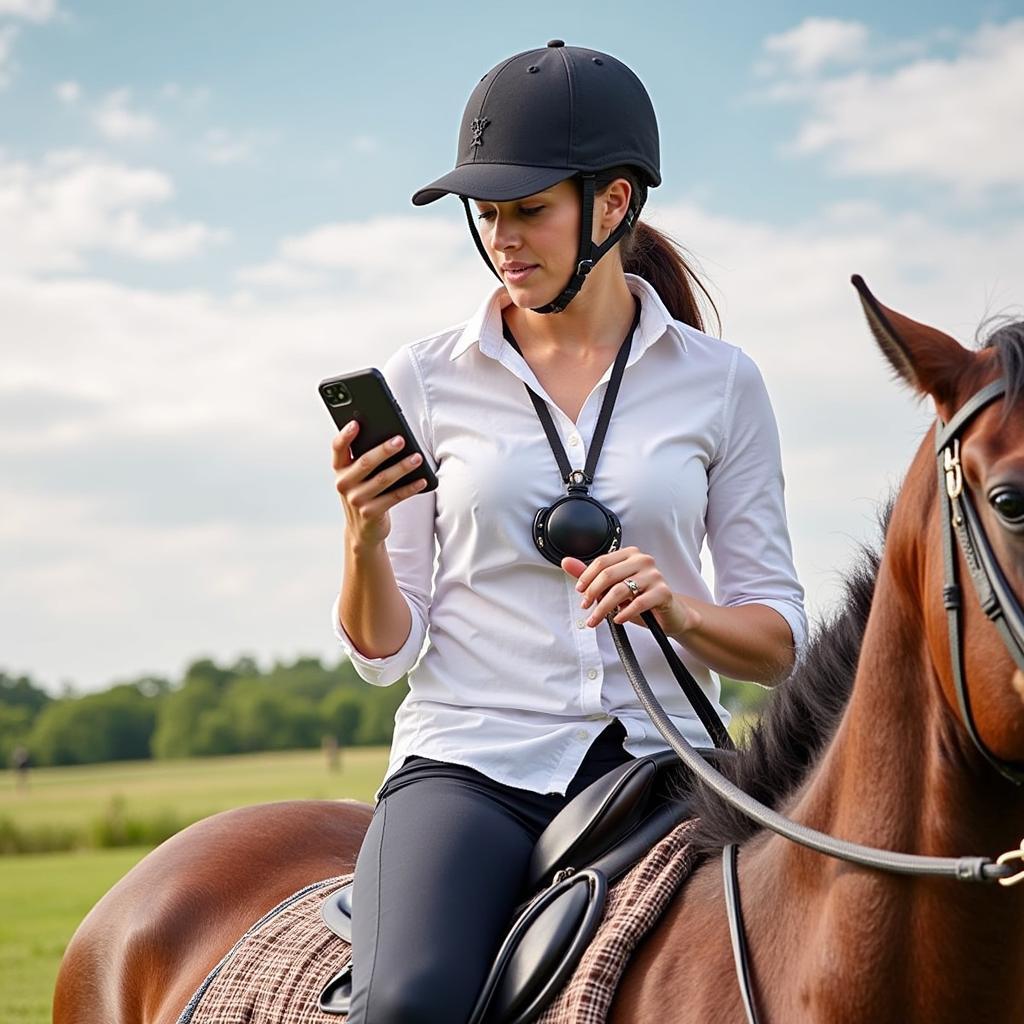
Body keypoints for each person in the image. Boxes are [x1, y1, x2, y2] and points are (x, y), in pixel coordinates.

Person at [330, 40, 806, 1024]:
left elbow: (775, 642)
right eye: (487, 213)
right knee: (404, 1008)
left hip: (665, 768)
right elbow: (387, 651)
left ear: (615, 204)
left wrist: (677, 609)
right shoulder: (422, 379)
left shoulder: (723, 382)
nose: (502, 238)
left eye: (528, 208)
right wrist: (365, 538)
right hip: (469, 766)